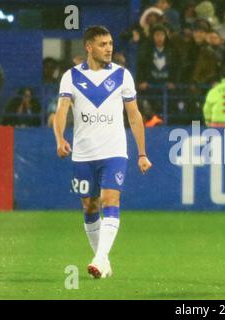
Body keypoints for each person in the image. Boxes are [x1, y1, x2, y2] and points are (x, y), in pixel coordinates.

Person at [53, 26, 152, 279]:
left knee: (111, 200)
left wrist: (142, 153)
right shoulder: (71, 77)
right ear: (89, 47)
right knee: (89, 206)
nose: (109, 48)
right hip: (84, 154)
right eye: (103, 44)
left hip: (114, 151)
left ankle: (99, 258)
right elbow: (62, 110)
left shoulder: (122, 76)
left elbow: (134, 115)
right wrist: (60, 138)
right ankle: (103, 261)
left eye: (110, 43)